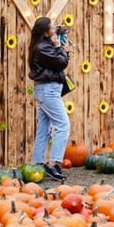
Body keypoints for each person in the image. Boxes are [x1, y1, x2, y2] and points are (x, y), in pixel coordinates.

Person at [28, 17, 72, 181]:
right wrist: (60, 46)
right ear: (45, 33)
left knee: (44, 129)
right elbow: (61, 63)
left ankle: (38, 164)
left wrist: (59, 36)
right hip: (48, 90)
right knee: (63, 125)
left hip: (46, 89)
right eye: (52, 28)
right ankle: (53, 164)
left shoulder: (42, 44)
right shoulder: (43, 48)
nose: (55, 30)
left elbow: (60, 61)